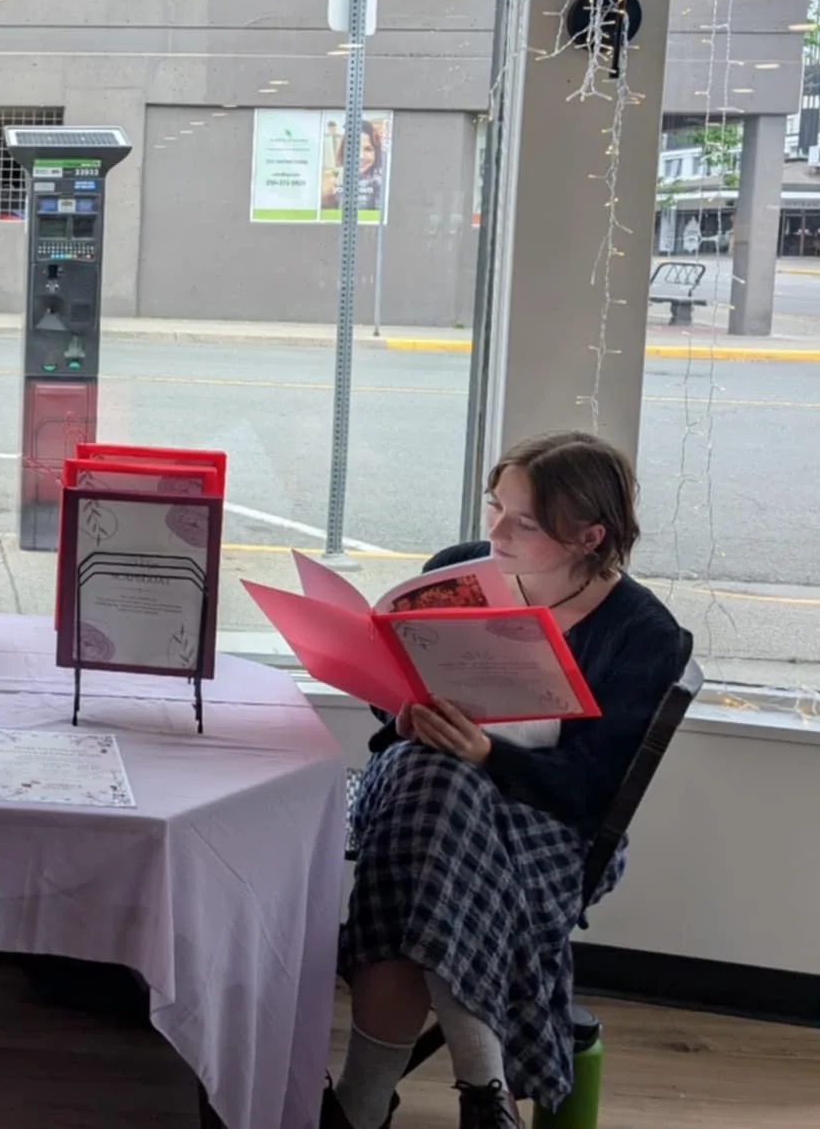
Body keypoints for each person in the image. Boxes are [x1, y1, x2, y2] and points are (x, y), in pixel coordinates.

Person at [325, 432, 692, 1129]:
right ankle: (484, 1091)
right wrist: (402, 712)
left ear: (589, 535)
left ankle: (362, 1103)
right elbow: (388, 692)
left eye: (521, 522)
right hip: (419, 792)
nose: (493, 530)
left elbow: (592, 795)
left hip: (549, 824)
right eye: (494, 506)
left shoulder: (642, 634)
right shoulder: (454, 575)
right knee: (434, 780)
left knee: (431, 829)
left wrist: (489, 755)